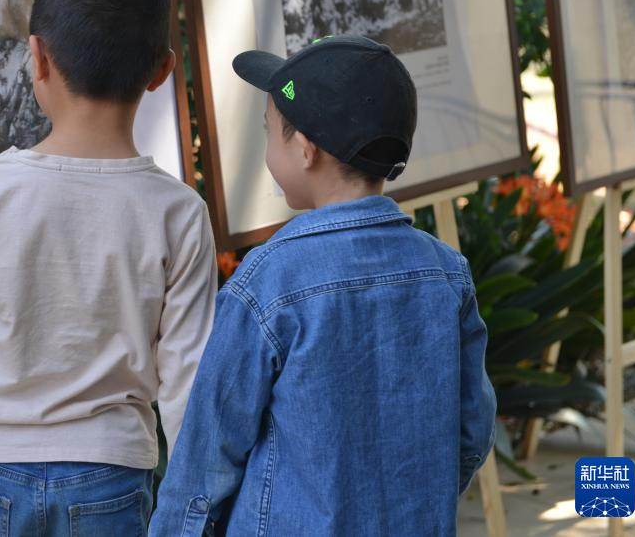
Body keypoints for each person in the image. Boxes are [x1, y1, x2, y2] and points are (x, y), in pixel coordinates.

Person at [0, 0, 218, 536]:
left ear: (38, 58)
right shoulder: (179, 213)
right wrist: (194, 510)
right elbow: (188, 378)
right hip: (109, 475)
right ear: (161, 71)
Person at [149, 35, 495, 536]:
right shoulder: (446, 274)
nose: (268, 145)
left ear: (306, 150)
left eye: (269, 131)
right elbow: (472, 429)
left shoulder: (267, 283)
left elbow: (207, 455)